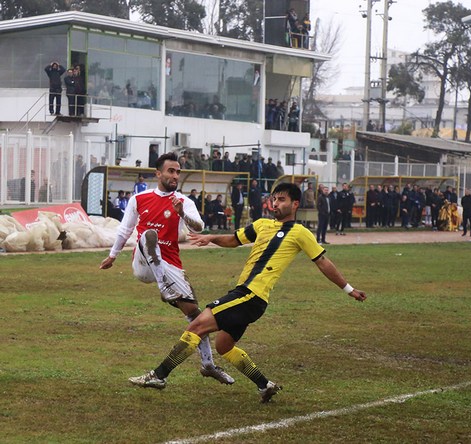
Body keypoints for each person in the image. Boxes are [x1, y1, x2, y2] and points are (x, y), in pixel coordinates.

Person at [128, 182, 366, 403]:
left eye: (282, 199)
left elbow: (322, 261)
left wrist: (348, 289)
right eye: (273, 199)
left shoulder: (300, 232)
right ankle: (265, 385)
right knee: (224, 345)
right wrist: (211, 237)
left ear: (295, 204)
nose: (275, 204)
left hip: (250, 295)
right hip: (248, 297)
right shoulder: (262, 225)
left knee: (197, 326)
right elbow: (233, 239)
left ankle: (159, 375)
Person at [99, 152, 234, 385]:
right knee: (149, 235)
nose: (175, 175)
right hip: (144, 264)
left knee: (196, 316)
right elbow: (124, 230)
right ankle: (165, 287)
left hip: (170, 264)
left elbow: (199, 226)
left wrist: (182, 213)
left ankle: (208, 364)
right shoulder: (139, 198)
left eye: (178, 171)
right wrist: (112, 256)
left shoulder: (184, 201)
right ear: (158, 173)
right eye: (171, 171)